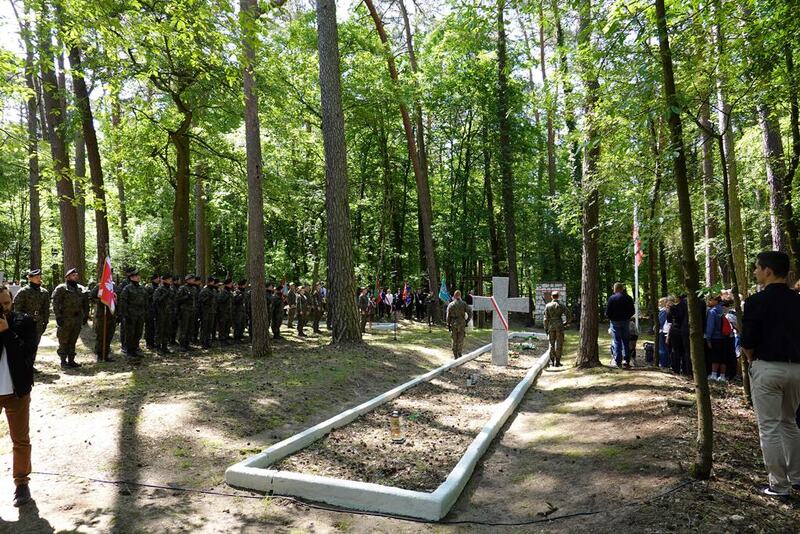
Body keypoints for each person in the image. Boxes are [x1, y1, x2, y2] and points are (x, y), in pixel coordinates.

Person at [740, 251, 800, 497]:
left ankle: (779, 484)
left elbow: (748, 339)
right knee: (790, 423)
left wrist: (751, 358)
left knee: (770, 427)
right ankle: (797, 477)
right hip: (796, 369)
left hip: (767, 366)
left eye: (756, 268)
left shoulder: (756, 301)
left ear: (768, 271)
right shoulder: (798, 300)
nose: (755, 272)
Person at [0, 285, 36, 507]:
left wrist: (6, 333)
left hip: (17, 392)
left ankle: (22, 483)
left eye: (6, 303)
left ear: (12, 300)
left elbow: (26, 355)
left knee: (20, 440)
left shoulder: (24, 322)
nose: (3, 308)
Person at [12, 269, 50, 372]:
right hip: (26, 323)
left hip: (38, 323)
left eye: (39, 277)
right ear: (30, 278)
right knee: (25, 344)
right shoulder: (23, 291)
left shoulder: (44, 292)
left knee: (35, 344)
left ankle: (31, 364)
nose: (39, 279)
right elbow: (17, 308)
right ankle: (23, 364)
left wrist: (45, 321)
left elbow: (46, 308)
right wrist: (21, 321)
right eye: (36, 277)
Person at [52, 268, 89, 369]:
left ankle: (71, 360)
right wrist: (58, 317)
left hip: (77, 319)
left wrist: (86, 315)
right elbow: (55, 303)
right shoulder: (61, 288)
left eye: (76, 275)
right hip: (65, 318)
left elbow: (86, 303)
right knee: (64, 340)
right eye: (73, 275)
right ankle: (63, 361)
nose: (76, 276)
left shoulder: (81, 288)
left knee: (73, 339)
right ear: (67, 277)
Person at [118, 268, 147, 358]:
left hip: (140, 314)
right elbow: (123, 302)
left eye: (138, 276)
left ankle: (135, 349)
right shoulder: (127, 288)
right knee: (130, 333)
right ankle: (129, 350)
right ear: (131, 278)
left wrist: (145, 312)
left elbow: (145, 301)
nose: (138, 277)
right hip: (131, 314)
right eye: (136, 276)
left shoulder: (141, 288)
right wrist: (125, 315)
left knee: (138, 332)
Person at [605, 283, 635, 368]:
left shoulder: (612, 298)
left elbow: (608, 312)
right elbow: (632, 311)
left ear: (615, 289)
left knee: (617, 341)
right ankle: (626, 360)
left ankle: (618, 361)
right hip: (625, 321)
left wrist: (611, 318)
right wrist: (627, 317)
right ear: (622, 289)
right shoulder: (628, 298)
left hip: (615, 322)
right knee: (626, 341)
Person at [89, 282, 116, 362]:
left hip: (111, 314)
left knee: (109, 335)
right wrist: (101, 301)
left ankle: (106, 354)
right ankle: (100, 355)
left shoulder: (113, 286)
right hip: (102, 314)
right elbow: (91, 296)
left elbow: (117, 297)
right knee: (101, 335)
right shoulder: (100, 285)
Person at [705, 294, 727, 382]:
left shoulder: (712, 311)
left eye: (710, 300)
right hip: (725, 336)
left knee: (715, 356)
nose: (709, 302)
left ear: (715, 301)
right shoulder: (723, 310)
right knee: (723, 357)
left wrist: (708, 339)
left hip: (715, 337)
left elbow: (710, 326)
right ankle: (722, 376)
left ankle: (714, 375)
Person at [543, 291, 567, 367]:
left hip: (551, 326)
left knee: (551, 343)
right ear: (558, 296)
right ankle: (557, 362)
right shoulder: (561, 305)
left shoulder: (548, 306)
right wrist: (564, 323)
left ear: (551, 296)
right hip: (559, 325)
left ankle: (552, 361)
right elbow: (569, 316)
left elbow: (545, 319)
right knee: (559, 344)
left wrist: (546, 328)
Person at [446, 290, 471, 359]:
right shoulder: (464, 304)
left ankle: (455, 354)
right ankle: (459, 352)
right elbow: (470, 313)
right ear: (460, 296)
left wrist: (448, 324)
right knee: (461, 338)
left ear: (454, 296)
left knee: (454, 339)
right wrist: (467, 321)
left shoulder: (450, 305)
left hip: (453, 323)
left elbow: (448, 316)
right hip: (462, 323)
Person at [153, 273, 174, 354]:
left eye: (170, 279)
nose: (170, 281)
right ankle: (158, 347)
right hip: (160, 313)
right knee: (159, 330)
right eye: (169, 279)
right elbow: (156, 301)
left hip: (168, 313)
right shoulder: (159, 289)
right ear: (164, 280)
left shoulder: (171, 289)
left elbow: (173, 301)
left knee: (167, 330)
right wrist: (164, 295)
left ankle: (165, 347)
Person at [175, 275, 197, 352]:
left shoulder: (194, 288)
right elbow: (177, 299)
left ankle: (187, 344)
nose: (193, 280)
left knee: (190, 328)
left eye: (193, 279)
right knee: (184, 328)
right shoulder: (182, 288)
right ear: (187, 280)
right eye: (192, 279)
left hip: (192, 310)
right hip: (184, 311)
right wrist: (186, 297)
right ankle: (182, 345)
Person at [198, 277, 217, 348]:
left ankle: (208, 342)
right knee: (204, 327)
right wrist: (208, 297)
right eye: (212, 282)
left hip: (212, 311)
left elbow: (215, 301)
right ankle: (203, 342)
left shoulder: (214, 290)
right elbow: (201, 301)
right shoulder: (204, 290)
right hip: (205, 312)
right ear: (208, 282)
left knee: (210, 328)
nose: (213, 283)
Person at [144, 274, 160, 349]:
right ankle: (149, 343)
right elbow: (146, 298)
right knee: (149, 327)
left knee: (156, 327)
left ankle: (154, 342)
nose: (159, 279)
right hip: (149, 310)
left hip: (157, 310)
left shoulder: (159, 287)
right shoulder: (148, 287)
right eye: (157, 278)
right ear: (154, 279)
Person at [216, 278, 233, 345]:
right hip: (223, 312)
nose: (232, 285)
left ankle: (226, 338)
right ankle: (222, 340)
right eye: (231, 283)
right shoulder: (223, 292)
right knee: (222, 326)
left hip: (228, 311)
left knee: (227, 326)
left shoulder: (229, 291)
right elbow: (219, 300)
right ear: (228, 284)